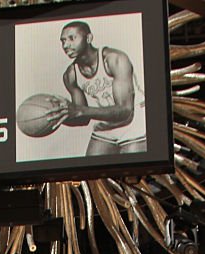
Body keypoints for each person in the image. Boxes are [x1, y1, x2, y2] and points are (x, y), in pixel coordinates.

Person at [46, 20, 147, 156]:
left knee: (132, 173)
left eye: (71, 38)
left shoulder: (114, 59)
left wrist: (80, 111)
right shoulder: (70, 75)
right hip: (107, 123)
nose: (66, 45)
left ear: (89, 38)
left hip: (134, 122)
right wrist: (58, 116)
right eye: (63, 41)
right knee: (90, 174)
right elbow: (82, 118)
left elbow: (125, 110)